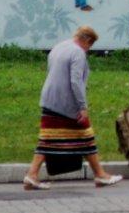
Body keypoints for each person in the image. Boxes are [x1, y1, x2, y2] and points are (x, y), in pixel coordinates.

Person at [23, 25, 122, 190]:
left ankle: (32, 175)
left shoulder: (58, 47)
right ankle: (100, 175)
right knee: (86, 135)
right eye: (90, 46)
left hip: (49, 99)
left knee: (47, 139)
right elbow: (76, 81)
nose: (88, 50)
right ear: (87, 40)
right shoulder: (77, 52)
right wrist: (82, 106)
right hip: (66, 104)